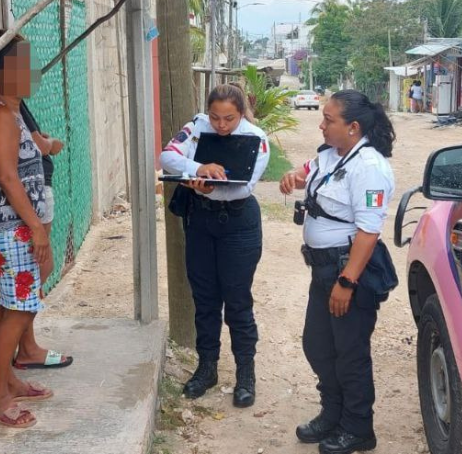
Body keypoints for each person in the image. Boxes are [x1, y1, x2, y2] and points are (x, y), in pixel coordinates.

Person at [279, 90, 397, 454]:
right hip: (322, 271)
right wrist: (292, 177)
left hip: (347, 271)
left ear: (354, 127)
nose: (322, 124)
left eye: (329, 120)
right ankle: (333, 414)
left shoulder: (370, 168)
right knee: (318, 345)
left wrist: (347, 282)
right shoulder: (331, 156)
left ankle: (358, 428)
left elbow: (368, 231)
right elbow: (308, 173)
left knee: (349, 352)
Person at [159, 84, 270, 408]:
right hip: (202, 224)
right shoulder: (195, 127)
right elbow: (167, 156)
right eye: (216, 117)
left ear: (241, 113)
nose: (221, 125)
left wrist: (205, 189)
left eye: (229, 118)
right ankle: (207, 368)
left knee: (237, 301)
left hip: (238, 224)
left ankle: (245, 374)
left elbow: (241, 187)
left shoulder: (256, 139)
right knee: (204, 299)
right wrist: (197, 169)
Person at [0, 30, 73, 374]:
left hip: (11, 226)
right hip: (8, 227)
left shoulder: (10, 111)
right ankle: (0, 392)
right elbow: (7, 177)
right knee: (18, 307)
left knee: (13, 303)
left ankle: (8, 381)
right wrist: (36, 229)